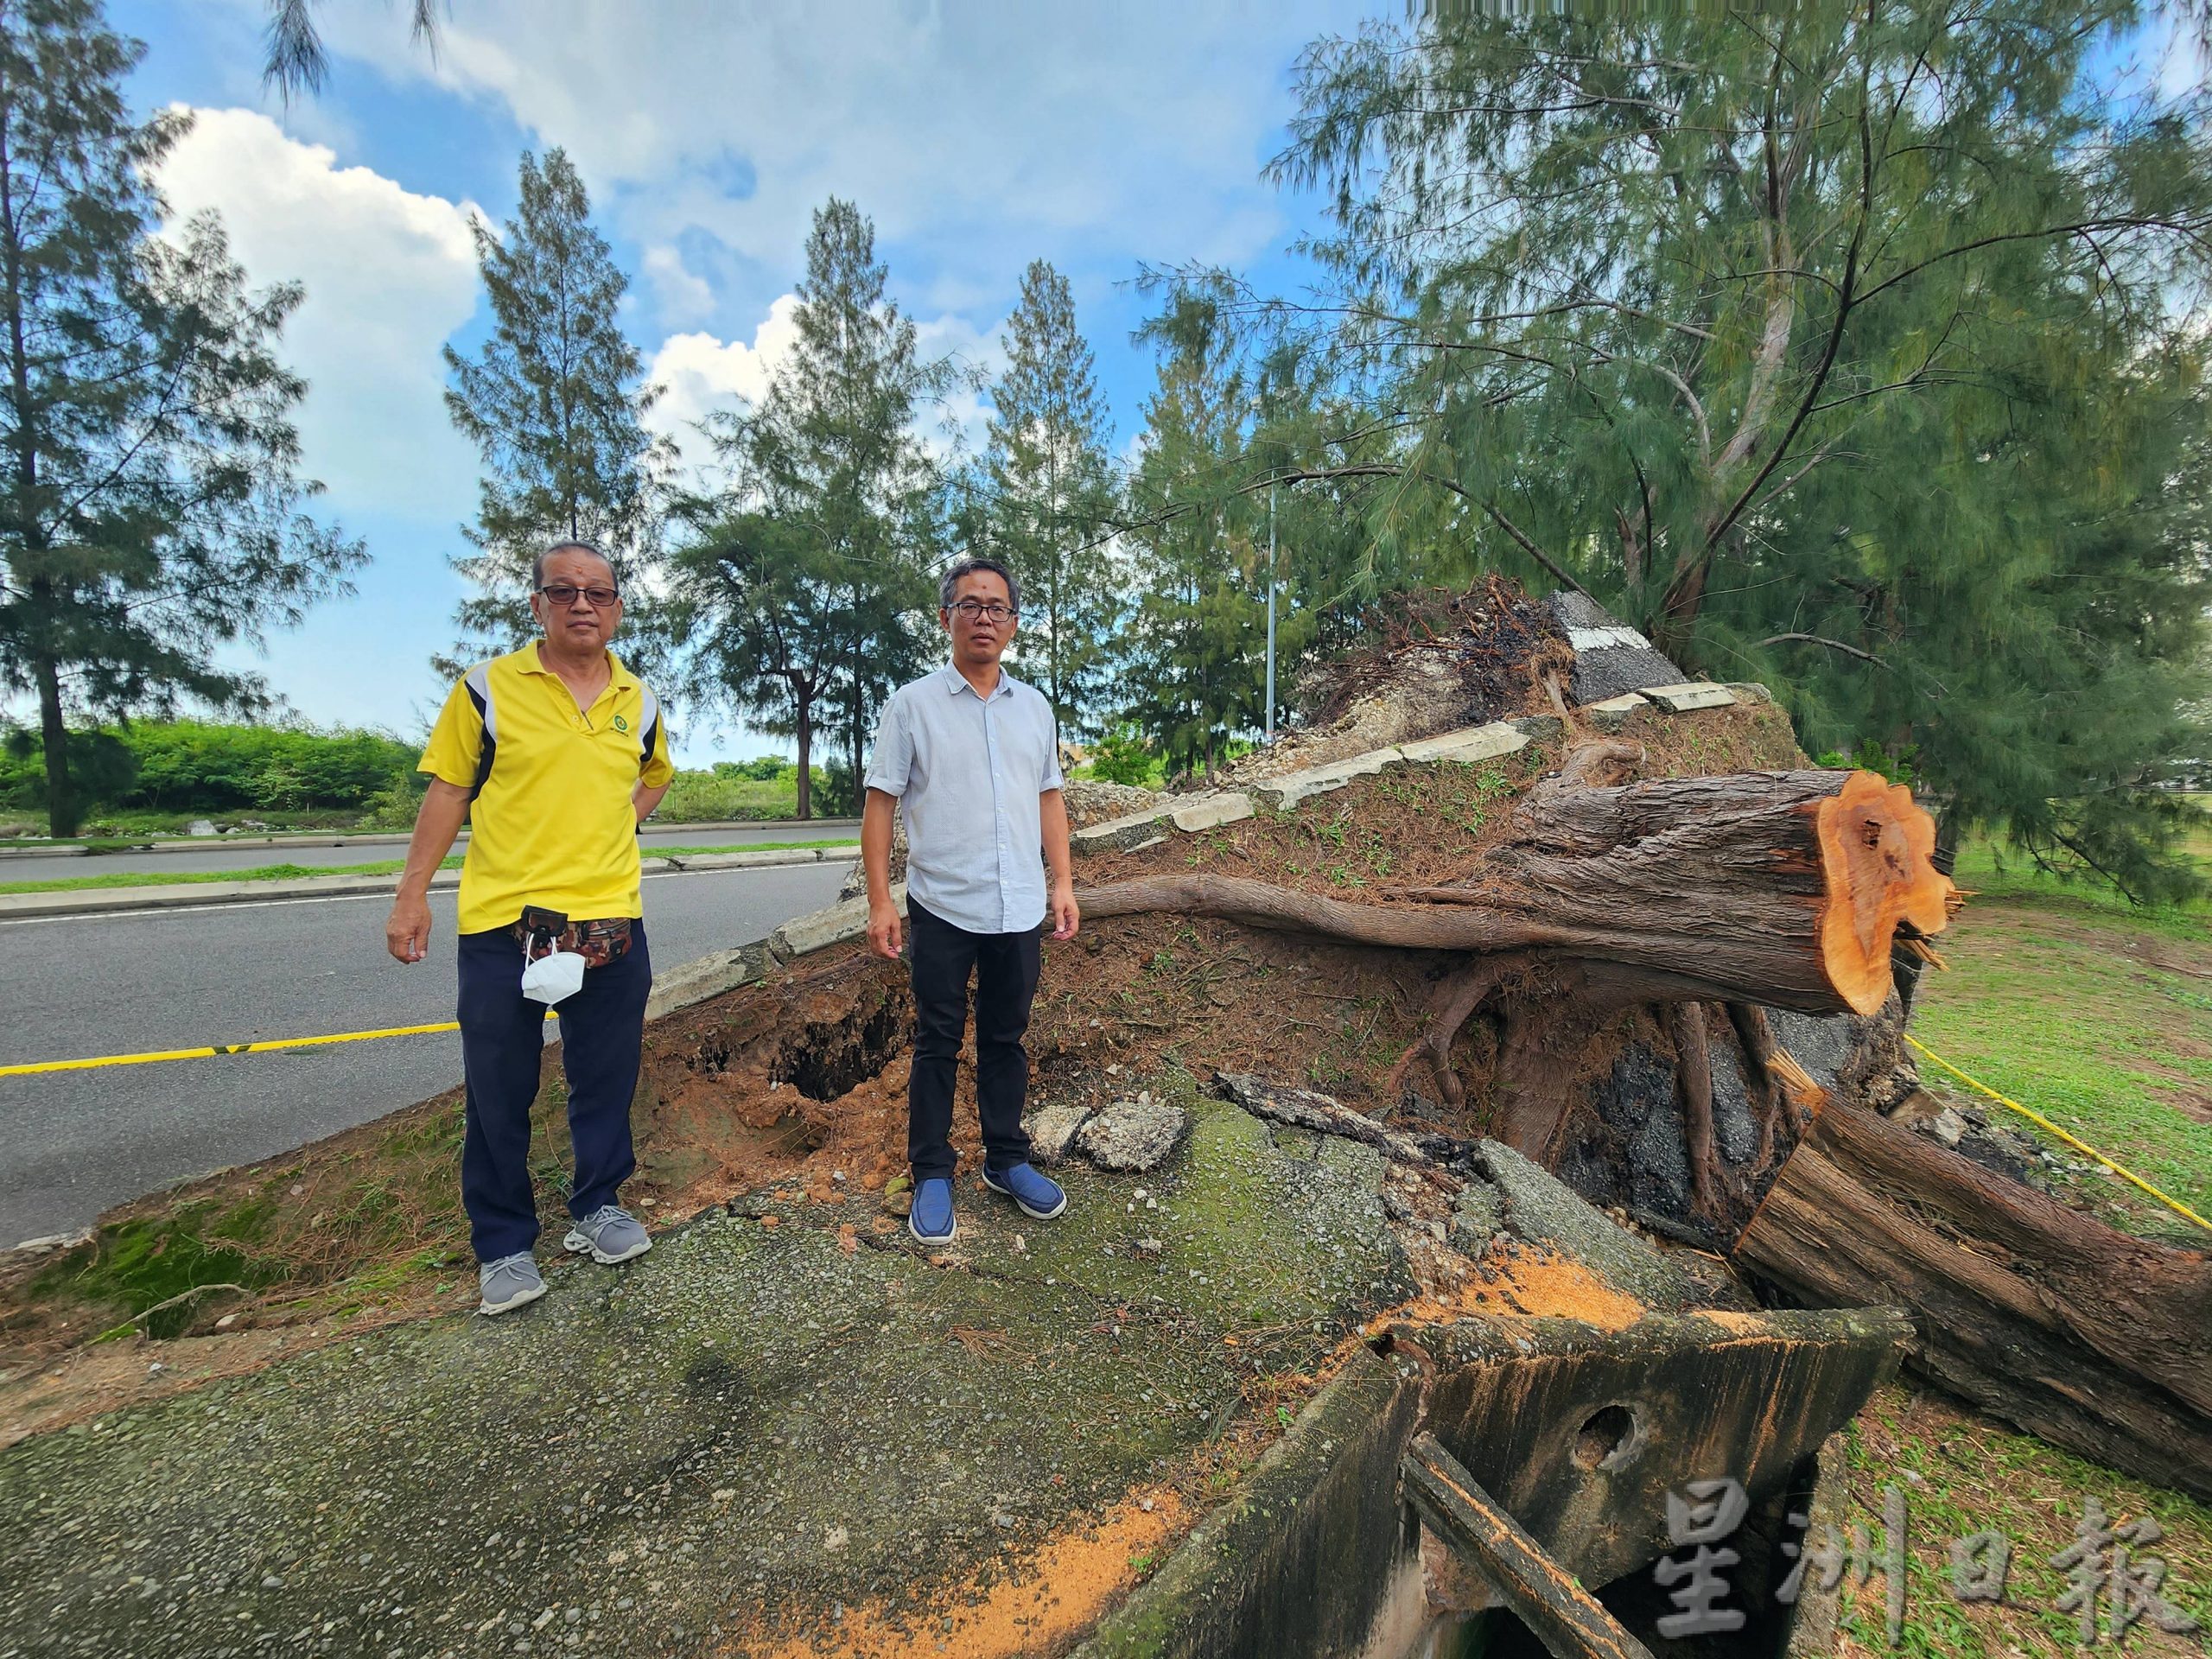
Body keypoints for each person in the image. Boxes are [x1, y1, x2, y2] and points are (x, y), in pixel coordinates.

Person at [385, 541, 673, 1314]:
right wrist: (412, 894)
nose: (583, 605)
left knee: (605, 1077)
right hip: (504, 924)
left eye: (600, 594)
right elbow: (449, 790)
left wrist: (613, 830)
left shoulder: (638, 701)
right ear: (538, 604)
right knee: (498, 1089)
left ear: (617, 610)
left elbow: (654, 778)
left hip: (612, 920)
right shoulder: (487, 689)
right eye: (565, 591)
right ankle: (505, 1244)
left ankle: (598, 1207)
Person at [862, 556, 1079, 1245]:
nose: (984, 617)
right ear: (946, 617)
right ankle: (931, 1170)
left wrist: (1063, 882)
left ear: (1013, 623)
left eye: (997, 607)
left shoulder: (1035, 708)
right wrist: (879, 900)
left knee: (1005, 1040)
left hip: (1017, 906)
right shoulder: (914, 705)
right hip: (941, 906)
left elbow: (1050, 798)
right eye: (970, 605)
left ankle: (1006, 1160)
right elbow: (880, 805)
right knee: (935, 1041)